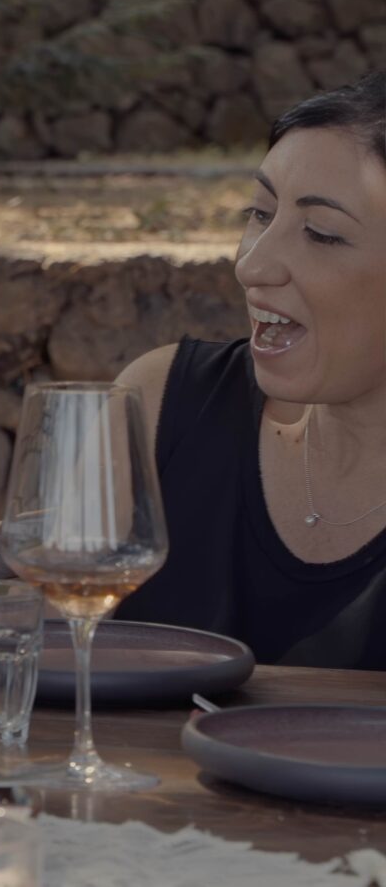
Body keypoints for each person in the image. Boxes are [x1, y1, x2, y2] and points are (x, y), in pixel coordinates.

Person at [114, 72, 386, 671]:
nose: (251, 265)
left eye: (321, 234)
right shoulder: (155, 407)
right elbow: (25, 673)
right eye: (260, 213)